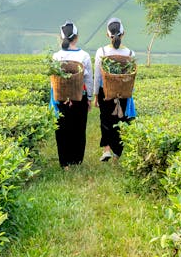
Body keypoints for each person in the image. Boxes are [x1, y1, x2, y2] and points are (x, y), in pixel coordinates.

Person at [51, 20, 93, 168]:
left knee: (62, 130)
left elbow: (53, 80)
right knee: (78, 129)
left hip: (61, 97)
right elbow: (88, 79)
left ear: (61, 37)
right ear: (77, 37)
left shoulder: (56, 56)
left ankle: (65, 163)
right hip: (79, 97)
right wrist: (89, 98)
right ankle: (76, 161)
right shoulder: (84, 56)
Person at [94, 17, 136, 161]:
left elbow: (97, 76)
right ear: (123, 34)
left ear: (108, 35)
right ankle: (117, 155)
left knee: (105, 119)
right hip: (123, 93)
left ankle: (106, 150)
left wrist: (94, 96)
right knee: (120, 120)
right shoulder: (130, 54)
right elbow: (132, 77)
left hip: (105, 91)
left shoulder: (101, 52)